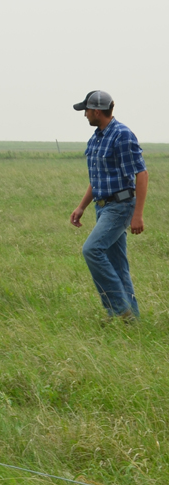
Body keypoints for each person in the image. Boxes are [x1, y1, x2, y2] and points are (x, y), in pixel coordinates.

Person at [69, 90, 148, 324]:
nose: (84, 115)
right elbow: (98, 179)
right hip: (102, 207)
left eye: (86, 110)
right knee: (118, 265)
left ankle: (118, 309)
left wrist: (138, 214)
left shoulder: (122, 135)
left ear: (96, 111)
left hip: (120, 206)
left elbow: (141, 174)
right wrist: (82, 207)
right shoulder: (96, 138)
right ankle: (131, 320)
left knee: (91, 250)